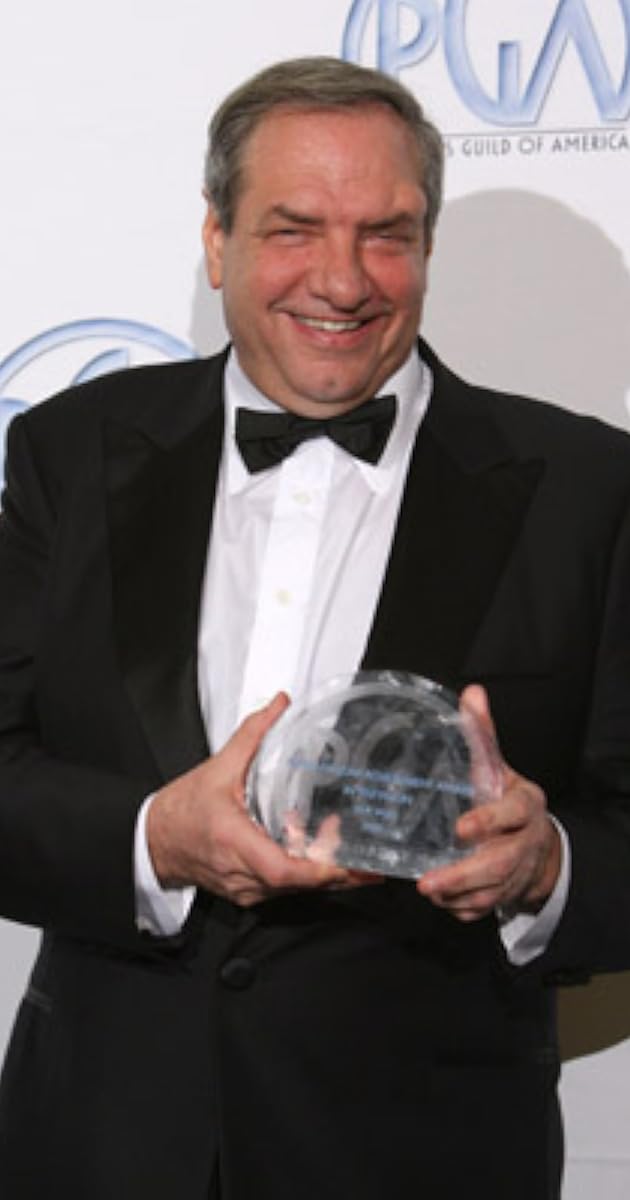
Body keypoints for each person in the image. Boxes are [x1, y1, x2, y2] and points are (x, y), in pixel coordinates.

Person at [0, 55, 629, 1200]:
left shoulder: (588, 489)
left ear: (427, 246)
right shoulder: (68, 453)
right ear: (217, 240)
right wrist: (152, 839)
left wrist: (546, 867)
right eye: (294, 229)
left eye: (386, 234)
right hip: (101, 1148)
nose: (343, 280)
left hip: (428, 1160)